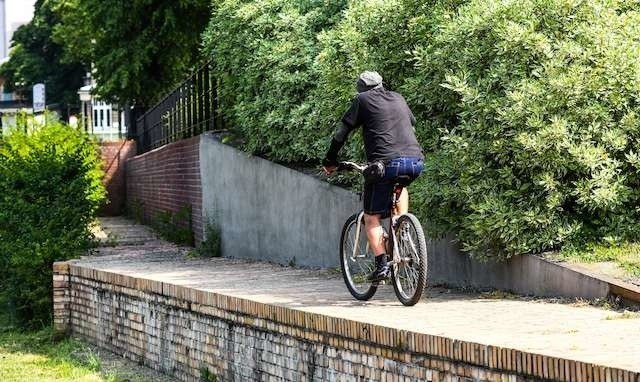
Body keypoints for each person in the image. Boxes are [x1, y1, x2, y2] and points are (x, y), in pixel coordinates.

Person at [323, 71, 424, 282]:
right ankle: (401, 225)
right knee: (401, 185)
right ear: (381, 85)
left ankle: (381, 266)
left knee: (371, 217)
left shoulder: (362, 100)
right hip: (415, 161)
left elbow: (342, 131)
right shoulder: (398, 97)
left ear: (361, 90)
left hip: (385, 164)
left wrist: (330, 160)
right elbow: (411, 123)